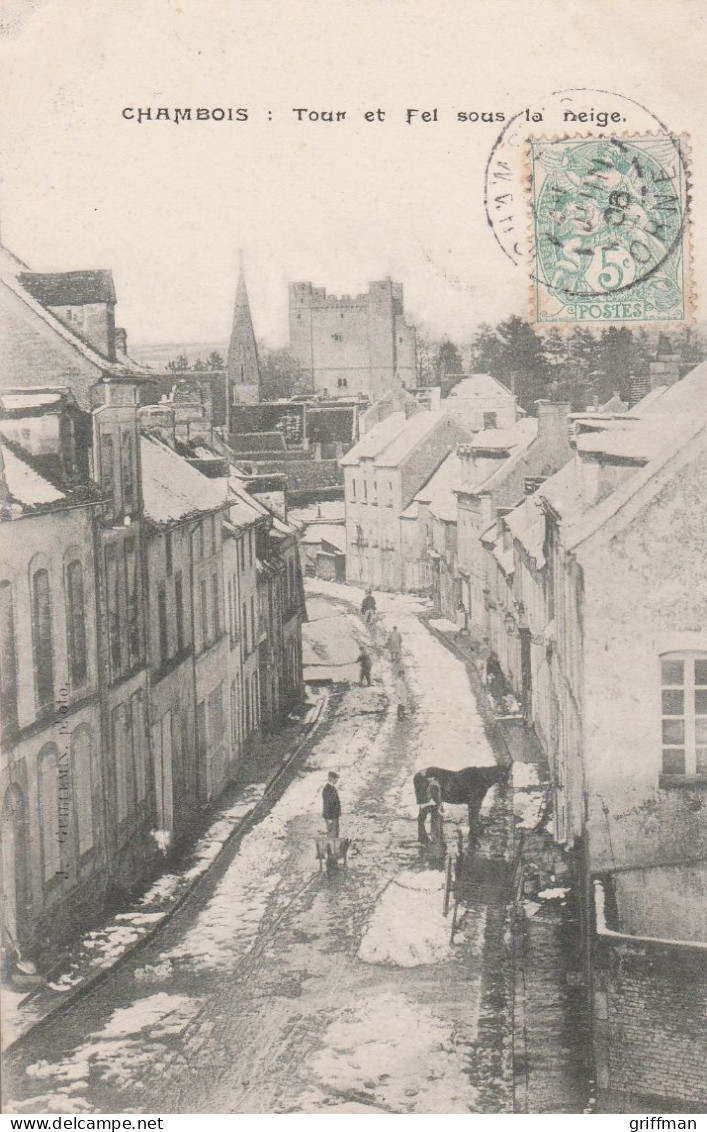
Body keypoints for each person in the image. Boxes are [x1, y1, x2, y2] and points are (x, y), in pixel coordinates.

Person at [418, 773, 444, 845]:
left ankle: (435, 840)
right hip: (434, 805)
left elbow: (435, 799)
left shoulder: (433, 785)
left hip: (432, 805)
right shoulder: (435, 783)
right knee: (437, 822)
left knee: (424, 820)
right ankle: (437, 839)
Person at [322, 771, 341, 839]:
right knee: (332, 835)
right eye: (336, 779)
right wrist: (329, 818)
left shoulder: (332, 788)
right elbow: (327, 804)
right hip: (331, 816)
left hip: (334, 816)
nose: (337, 781)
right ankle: (331, 849)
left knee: (335, 835)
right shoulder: (327, 789)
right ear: (332, 779)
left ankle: (334, 848)